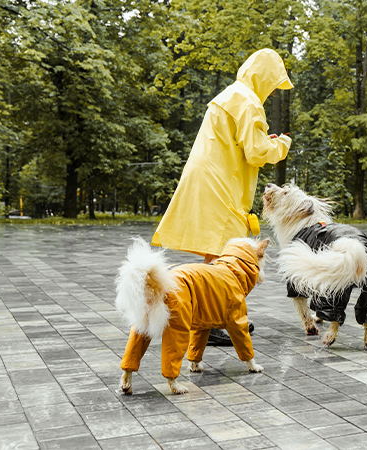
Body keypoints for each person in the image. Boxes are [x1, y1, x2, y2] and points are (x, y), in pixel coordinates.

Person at [120, 48, 293, 376]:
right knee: (225, 249)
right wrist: (281, 144)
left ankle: (210, 316)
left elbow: (244, 141)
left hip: (206, 175)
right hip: (221, 182)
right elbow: (257, 152)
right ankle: (212, 321)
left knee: (215, 250)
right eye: (272, 84)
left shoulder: (231, 94)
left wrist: (262, 139)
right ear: (264, 77)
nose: (271, 91)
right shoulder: (249, 101)